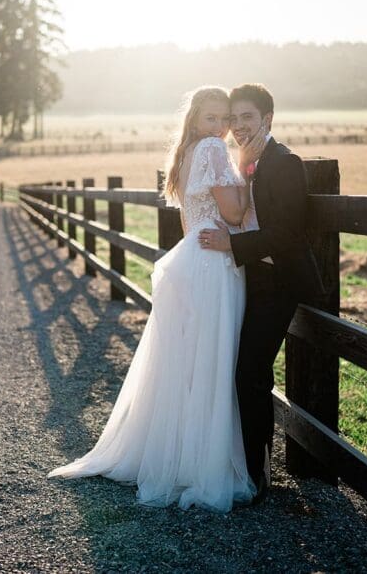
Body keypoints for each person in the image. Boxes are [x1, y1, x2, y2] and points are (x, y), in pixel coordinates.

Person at [47, 86, 267, 512]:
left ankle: (177, 455)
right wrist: (248, 167)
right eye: (213, 118)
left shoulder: (184, 153)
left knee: (187, 364)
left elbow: (193, 218)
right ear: (196, 119)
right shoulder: (213, 151)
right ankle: (204, 464)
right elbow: (237, 214)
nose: (222, 127)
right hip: (214, 267)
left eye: (225, 119)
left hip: (192, 260)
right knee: (212, 363)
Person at [198, 83, 327, 505]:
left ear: (267, 119)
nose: (237, 126)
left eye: (246, 118)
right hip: (249, 278)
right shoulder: (243, 160)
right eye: (234, 119)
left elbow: (287, 234)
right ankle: (247, 464)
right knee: (239, 369)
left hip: (278, 282)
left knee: (250, 371)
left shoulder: (284, 162)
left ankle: (257, 473)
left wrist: (231, 247)